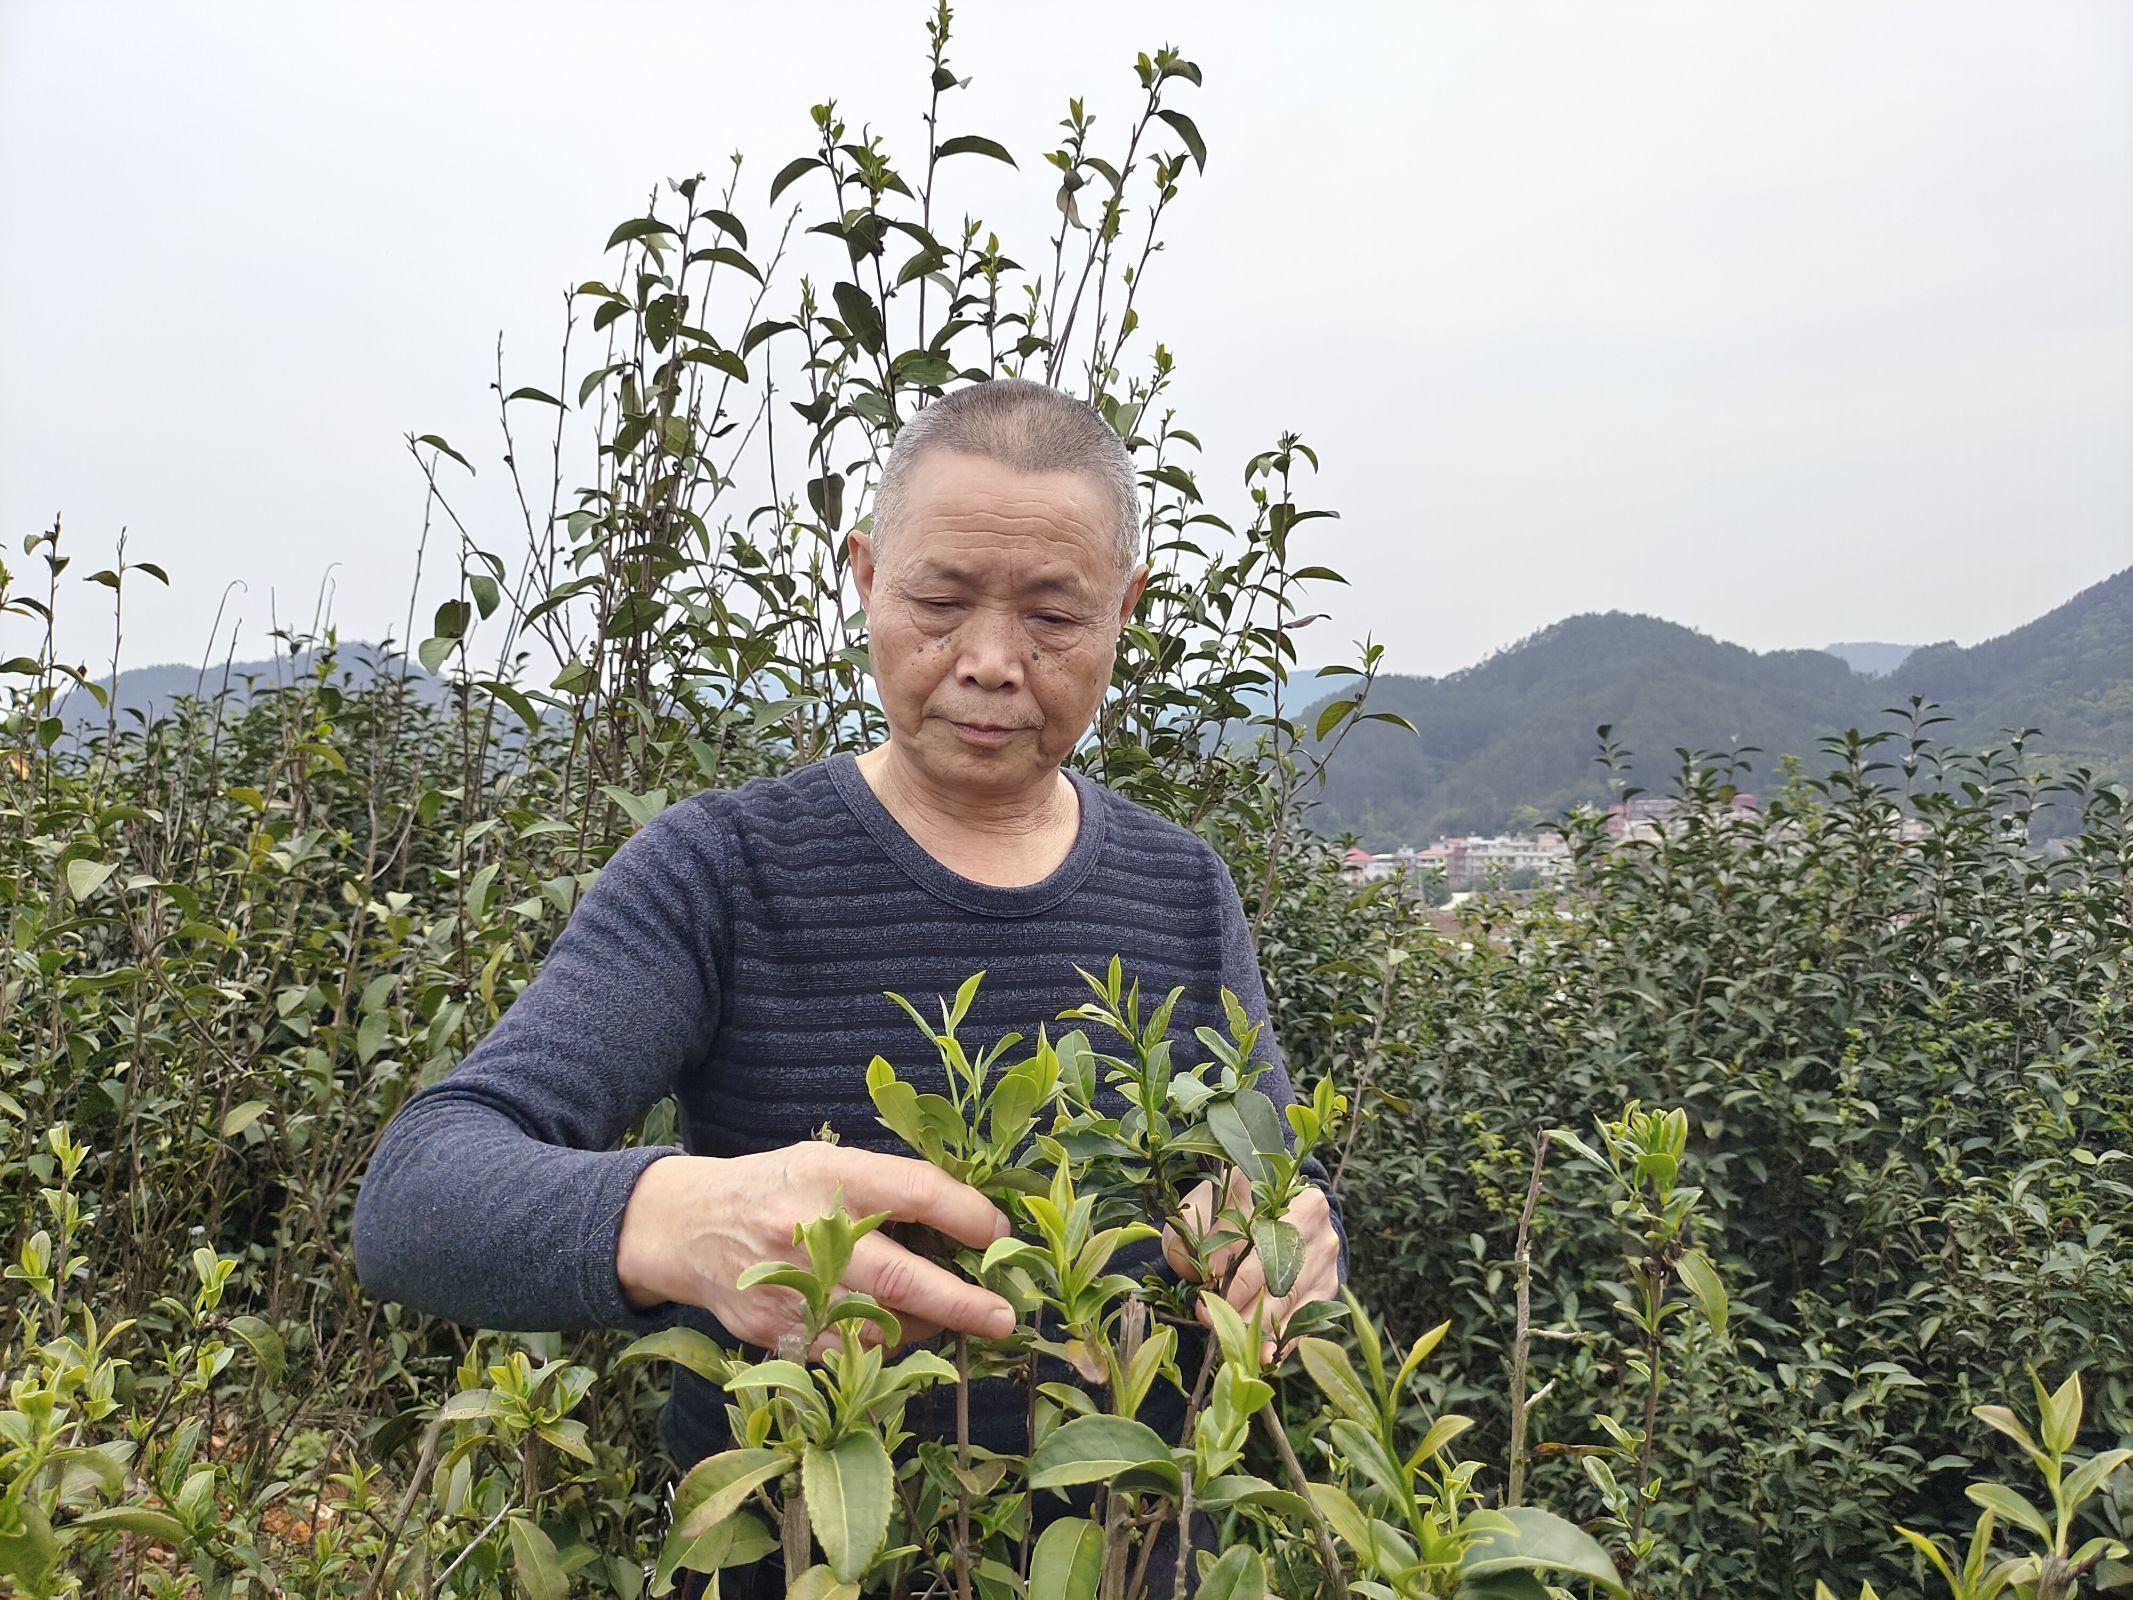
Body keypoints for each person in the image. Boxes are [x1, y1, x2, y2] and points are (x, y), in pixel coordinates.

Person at [350, 377, 1346, 1596]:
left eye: (1053, 616)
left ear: (1125, 611)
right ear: (864, 575)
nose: (989, 662)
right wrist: (678, 1221)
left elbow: (1282, 1177)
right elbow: (419, 1187)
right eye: (937, 600)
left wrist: (1287, 1236)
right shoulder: (718, 872)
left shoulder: (1185, 887)